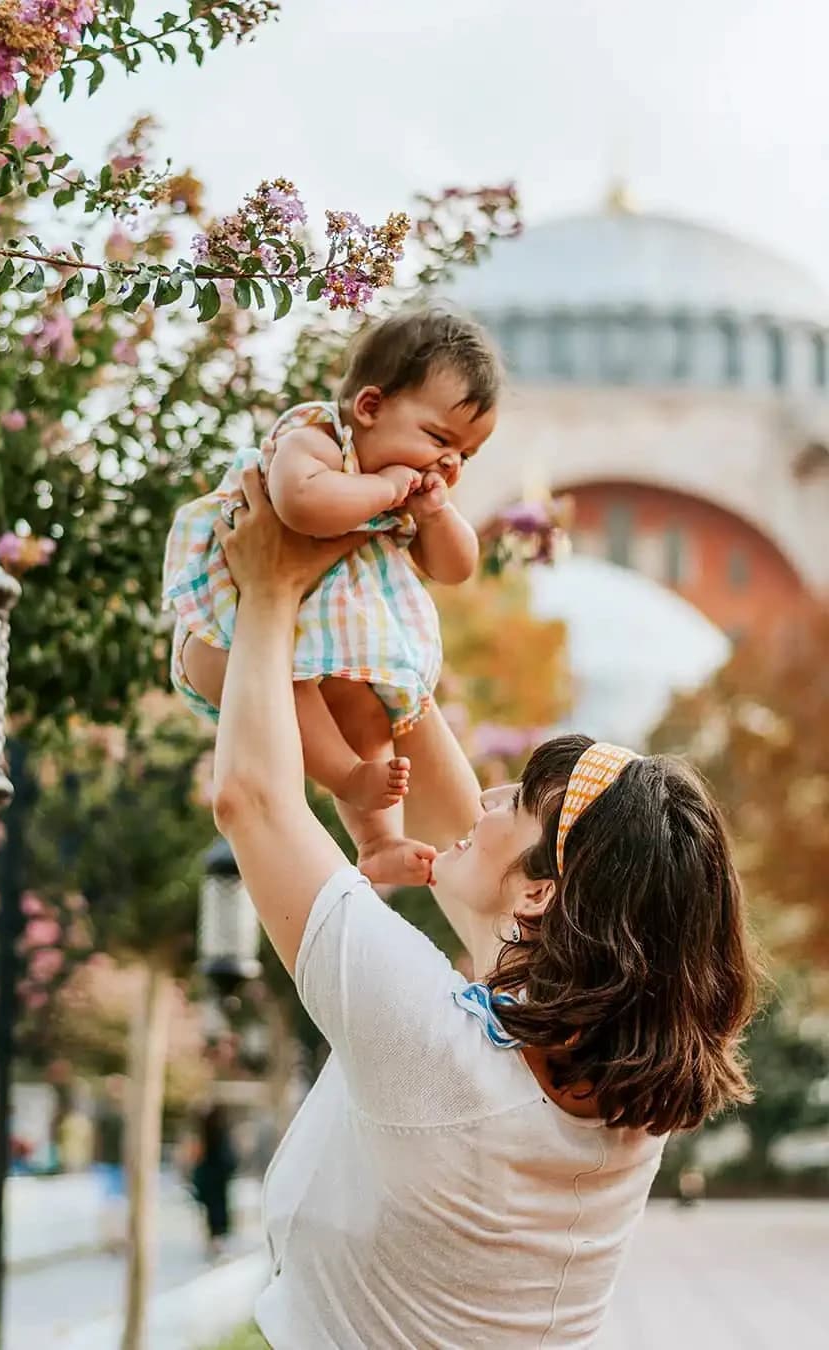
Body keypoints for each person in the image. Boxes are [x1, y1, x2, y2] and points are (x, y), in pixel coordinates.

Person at [208, 468, 762, 1348]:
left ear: (542, 893)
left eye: (522, 801)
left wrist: (271, 589)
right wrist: (381, 626)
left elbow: (253, 801)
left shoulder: (435, 1055)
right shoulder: (599, 1082)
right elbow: (465, 833)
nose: (490, 793)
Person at [164, 306, 500, 888]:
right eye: (439, 438)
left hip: (315, 651)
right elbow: (301, 506)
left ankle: (378, 840)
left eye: (465, 454)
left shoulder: (412, 495)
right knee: (294, 691)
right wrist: (383, 487)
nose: (448, 462)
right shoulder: (316, 438)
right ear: (369, 408)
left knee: (370, 710)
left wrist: (436, 513)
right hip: (228, 638)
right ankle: (344, 776)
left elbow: (457, 566)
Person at [191, 1104, 238, 1260]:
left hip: (212, 1177)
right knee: (217, 1209)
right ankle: (217, 1241)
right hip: (216, 1178)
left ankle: (216, 1241)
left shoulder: (211, 1135)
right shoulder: (218, 1135)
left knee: (214, 1210)